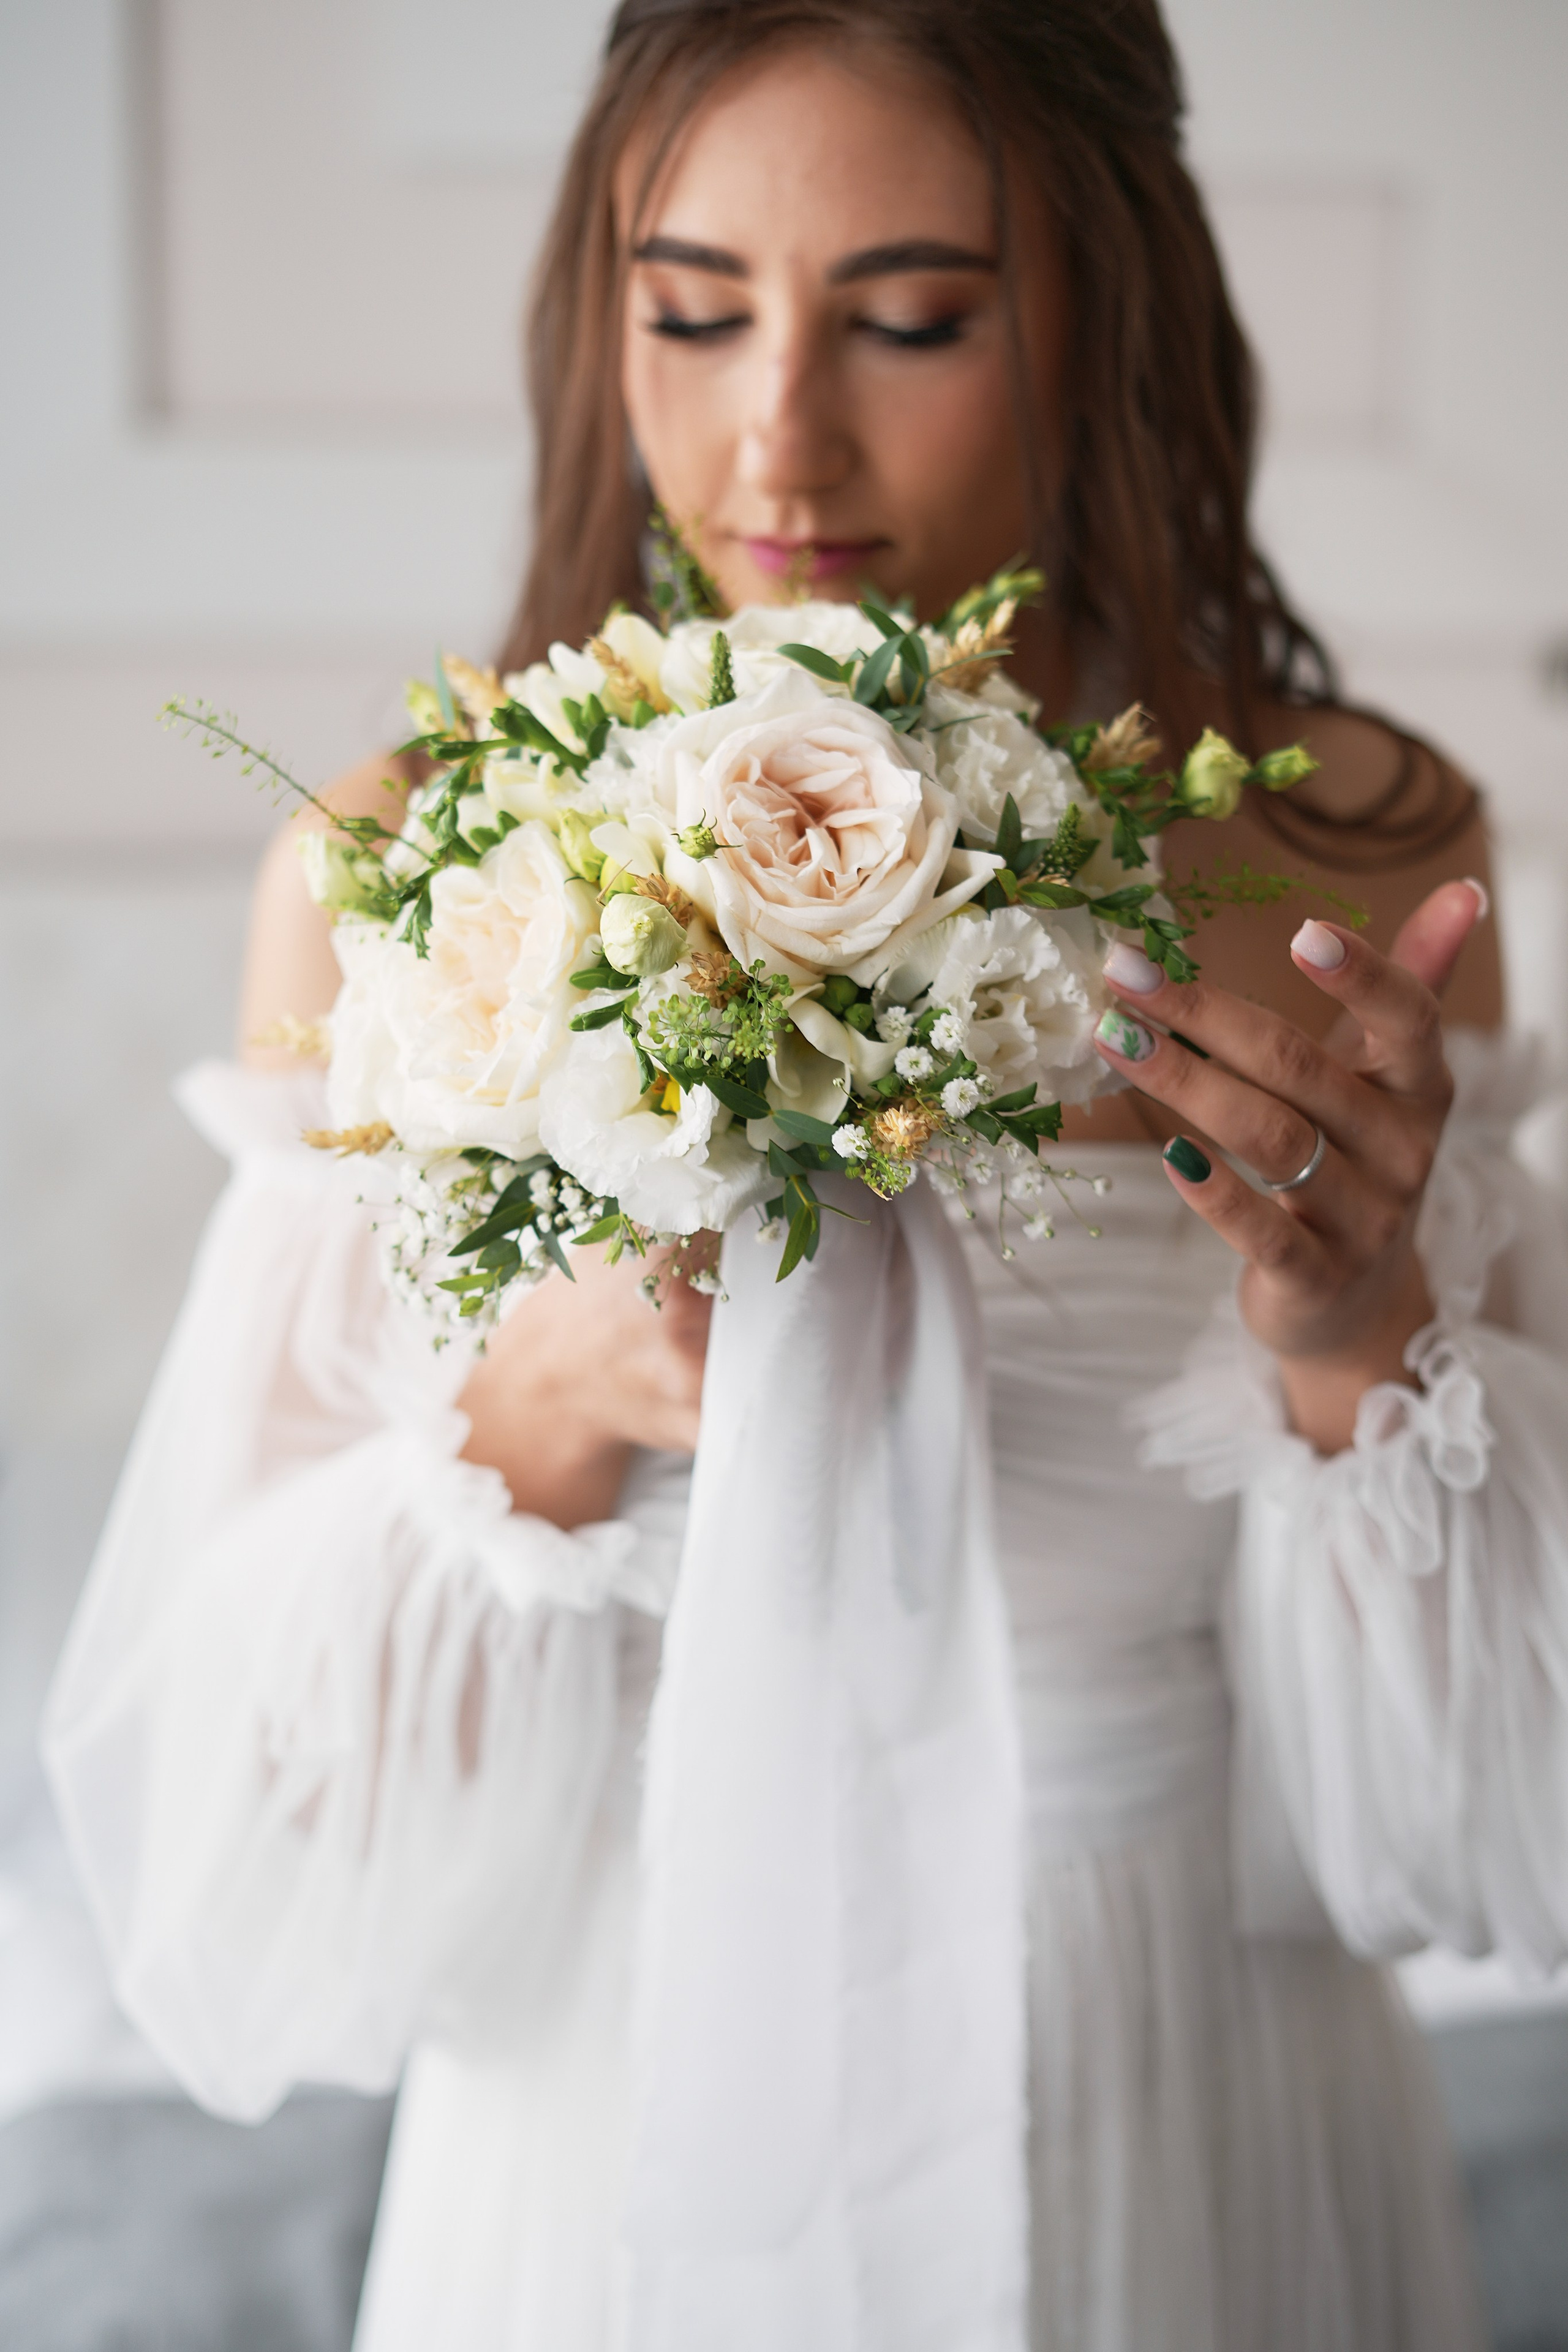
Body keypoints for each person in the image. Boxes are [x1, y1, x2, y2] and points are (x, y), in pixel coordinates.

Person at [43, 3, 1568, 2347]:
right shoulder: (404, 880)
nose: (778, 433)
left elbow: (1485, 1819)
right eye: (691, 309)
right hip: (621, 2104)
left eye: (915, 316)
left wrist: (1355, 1341)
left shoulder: (1341, 863)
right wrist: (541, 1414)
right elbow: (258, 1845)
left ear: (1109, 307)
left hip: (1189, 2101)